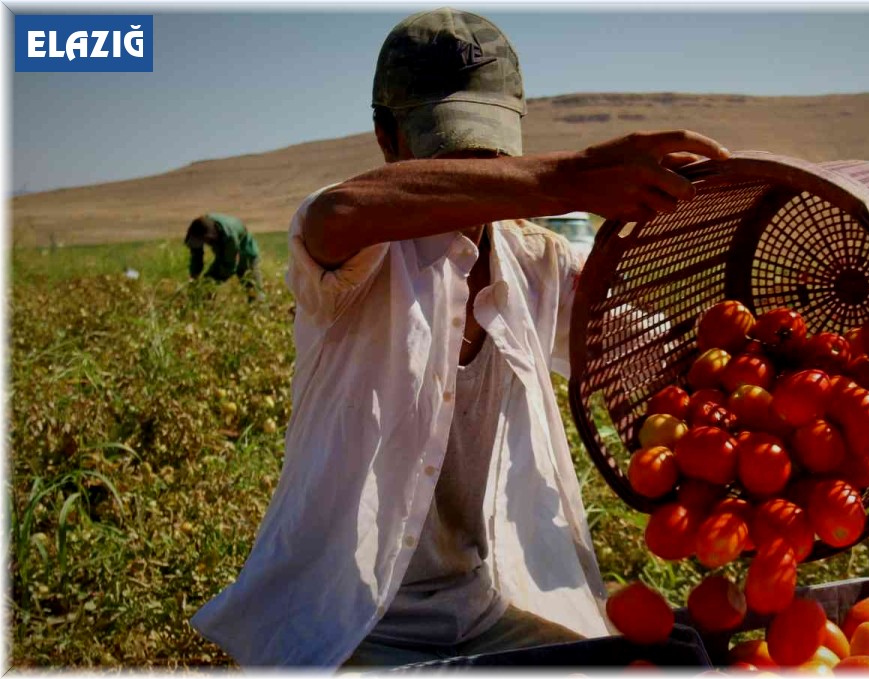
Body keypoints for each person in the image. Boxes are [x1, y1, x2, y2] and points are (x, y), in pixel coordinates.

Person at [189, 7, 729, 668]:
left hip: (480, 613)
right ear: (387, 138)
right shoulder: (357, 254)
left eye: (490, 147)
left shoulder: (535, 263)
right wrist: (567, 180)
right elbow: (337, 210)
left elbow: (662, 359)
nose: (478, 165)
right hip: (341, 626)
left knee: (675, 660)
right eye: (451, 147)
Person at [184, 213, 263, 301]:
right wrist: (194, 277)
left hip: (247, 254)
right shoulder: (197, 230)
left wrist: (213, 282)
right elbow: (196, 256)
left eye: (206, 240)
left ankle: (259, 306)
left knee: (254, 291)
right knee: (205, 286)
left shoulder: (229, 237)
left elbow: (229, 266)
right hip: (223, 253)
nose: (206, 242)